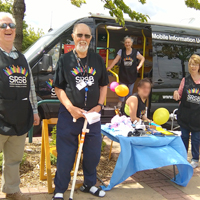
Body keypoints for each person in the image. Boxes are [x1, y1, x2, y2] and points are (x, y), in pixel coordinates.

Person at [53, 23, 108, 200]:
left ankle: (89, 184)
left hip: (92, 116)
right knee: (66, 155)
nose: (83, 39)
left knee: (92, 153)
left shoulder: (98, 60)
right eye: (80, 35)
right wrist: (70, 108)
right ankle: (60, 190)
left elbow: (104, 85)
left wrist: (99, 105)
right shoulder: (64, 60)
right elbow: (58, 88)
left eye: (87, 36)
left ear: (90, 39)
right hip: (69, 116)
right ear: (73, 36)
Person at [0, 12, 40, 200]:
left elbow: (30, 86)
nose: (8, 29)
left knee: (14, 159)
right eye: (3, 26)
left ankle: (12, 190)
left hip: (19, 116)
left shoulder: (22, 58)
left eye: (11, 25)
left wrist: (34, 110)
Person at [173, 54, 200, 169]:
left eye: (195, 64)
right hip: (185, 114)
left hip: (197, 116)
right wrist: (175, 93)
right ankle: (182, 157)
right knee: (184, 137)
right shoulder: (185, 80)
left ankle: (195, 159)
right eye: (191, 64)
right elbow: (179, 95)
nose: (193, 66)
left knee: (195, 139)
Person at [107, 36, 145, 107]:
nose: (127, 44)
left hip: (132, 75)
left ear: (131, 43)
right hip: (123, 74)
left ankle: (127, 105)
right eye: (126, 42)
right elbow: (116, 60)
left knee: (129, 92)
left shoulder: (135, 52)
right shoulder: (121, 51)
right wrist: (110, 67)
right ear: (124, 44)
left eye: (129, 42)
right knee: (122, 90)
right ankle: (120, 104)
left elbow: (142, 58)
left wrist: (139, 66)